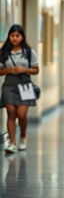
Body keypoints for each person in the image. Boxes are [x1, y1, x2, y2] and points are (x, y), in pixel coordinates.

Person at [0, 24, 39, 153]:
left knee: (21, 115)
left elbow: (36, 70)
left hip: (25, 85)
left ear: (22, 37)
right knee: (11, 113)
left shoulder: (29, 52)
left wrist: (24, 69)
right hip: (9, 85)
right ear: (9, 37)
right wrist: (9, 70)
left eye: (17, 35)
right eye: (12, 35)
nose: (15, 38)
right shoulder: (4, 52)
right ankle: (12, 142)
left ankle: (23, 136)